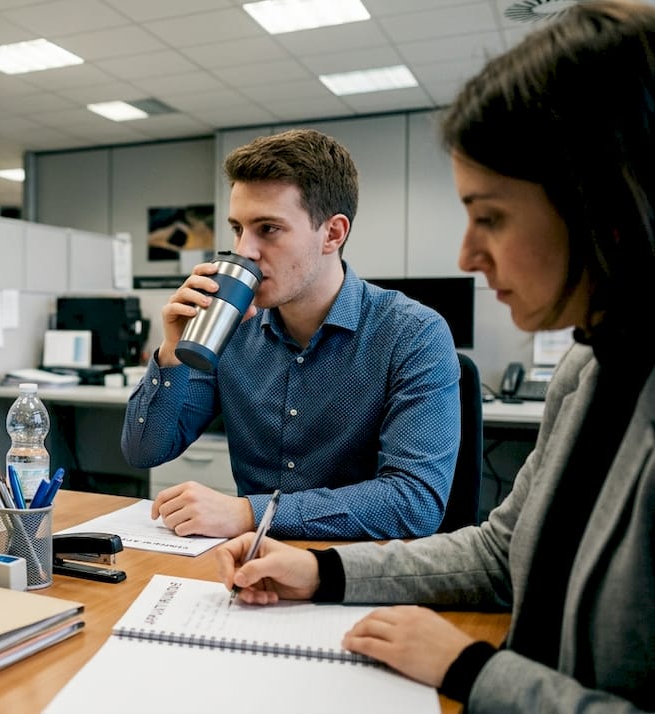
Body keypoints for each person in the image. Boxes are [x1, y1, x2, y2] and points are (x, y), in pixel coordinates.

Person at [215, 2, 655, 710]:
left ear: (605, 205)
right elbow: (495, 556)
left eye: (492, 216)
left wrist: (473, 672)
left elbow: (417, 504)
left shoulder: (411, 331)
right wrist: (322, 573)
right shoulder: (592, 367)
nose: (467, 254)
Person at [122, 128, 460, 540]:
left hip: (353, 572)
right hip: (249, 567)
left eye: (268, 229)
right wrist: (172, 351)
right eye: (238, 228)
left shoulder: (413, 334)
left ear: (333, 234)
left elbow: (415, 501)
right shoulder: (231, 327)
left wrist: (254, 513)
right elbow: (145, 451)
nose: (244, 250)